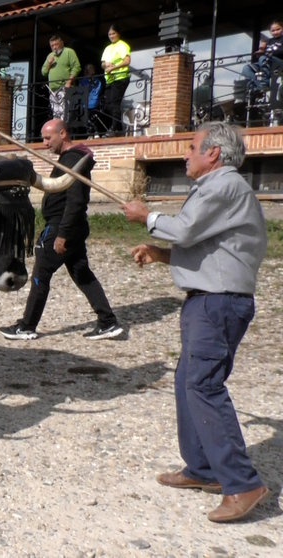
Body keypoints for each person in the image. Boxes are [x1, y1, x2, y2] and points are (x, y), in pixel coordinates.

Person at [122, 121, 269, 523]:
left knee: (203, 385)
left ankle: (242, 483)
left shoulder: (225, 186)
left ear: (214, 154)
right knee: (189, 379)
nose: (185, 155)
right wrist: (162, 254)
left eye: (191, 147)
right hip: (209, 299)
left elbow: (185, 230)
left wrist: (147, 215)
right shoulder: (217, 189)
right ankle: (203, 469)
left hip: (218, 303)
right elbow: (212, 248)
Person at [0, 118, 121, 341]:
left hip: (61, 226)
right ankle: (108, 322)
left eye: (48, 138)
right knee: (82, 273)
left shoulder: (73, 160)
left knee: (41, 274)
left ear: (63, 134)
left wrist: (62, 234)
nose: (45, 143)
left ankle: (27, 326)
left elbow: (76, 202)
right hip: (70, 226)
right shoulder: (69, 159)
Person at [41, 35, 81, 122]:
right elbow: (43, 72)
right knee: (56, 113)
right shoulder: (50, 56)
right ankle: (57, 133)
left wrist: (69, 81)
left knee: (64, 113)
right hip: (52, 90)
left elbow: (76, 67)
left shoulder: (69, 52)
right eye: (52, 46)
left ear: (61, 43)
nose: (54, 47)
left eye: (56, 44)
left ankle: (64, 132)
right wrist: (49, 64)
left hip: (64, 87)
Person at [100, 24, 131, 136]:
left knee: (114, 103)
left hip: (120, 77)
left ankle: (114, 129)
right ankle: (118, 128)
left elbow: (127, 61)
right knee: (107, 104)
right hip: (109, 79)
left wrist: (113, 67)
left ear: (118, 34)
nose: (111, 36)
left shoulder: (122, 45)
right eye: (109, 34)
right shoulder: (107, 48)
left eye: (113, 33)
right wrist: (106, 65)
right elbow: (102, 63)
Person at [241, 19, 283, 94]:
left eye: (278, 29)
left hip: (279, 63)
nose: (275, 32)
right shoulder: (269, 41)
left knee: (263, 58)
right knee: (246, 68)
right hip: (267, 62)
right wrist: (261, 51)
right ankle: (260, 86)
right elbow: (264, 53)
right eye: (273, 30)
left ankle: (264, 82)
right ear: (270, 31)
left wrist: (270, 53)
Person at [79, 63, 106, 137]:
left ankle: (93, 133)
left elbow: (81, 91)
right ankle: (93, 133)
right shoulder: (95, 81)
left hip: (90, 103)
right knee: (91, 119)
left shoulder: (93, 81)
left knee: (91, 118)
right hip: (90, 103)